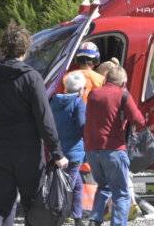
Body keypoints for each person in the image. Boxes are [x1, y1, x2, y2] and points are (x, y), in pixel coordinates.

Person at [0, 21, 68, 226]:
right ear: (25, 49)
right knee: (33, 205)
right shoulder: (31, 77)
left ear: (3, 47)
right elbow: (44, 118)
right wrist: (57, 151)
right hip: (28, 154)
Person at [85, 66, 145, 226]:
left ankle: (94, 219)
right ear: (124, 82)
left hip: (92, 150)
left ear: (106, 79)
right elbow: (139, 120)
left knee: (103, 186)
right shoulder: (122, 94)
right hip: (113, 150)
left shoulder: (93, 93)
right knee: (122, 193)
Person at [51, 71, 88, 226]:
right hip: (74, 151)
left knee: (77, 184)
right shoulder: (78, 102)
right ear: (81, 89)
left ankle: (77, 217)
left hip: (57, 149)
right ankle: (58, 217)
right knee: (68, 186)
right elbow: (81, 125)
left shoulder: (53, 101)